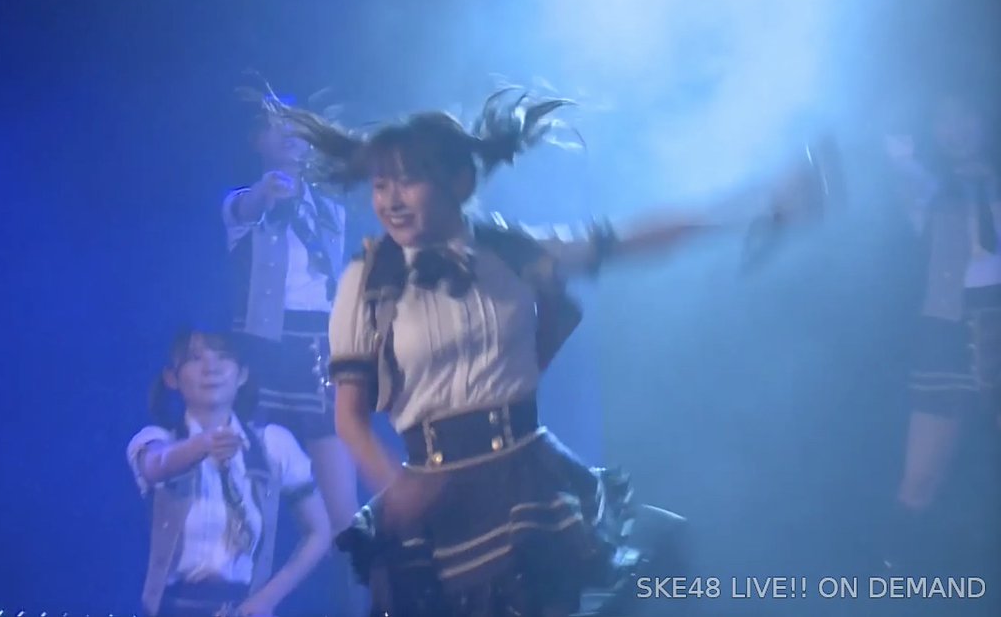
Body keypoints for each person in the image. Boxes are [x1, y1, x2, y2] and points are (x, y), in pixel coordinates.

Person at [275, 90, 821, 615]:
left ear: (459, 182)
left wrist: (755, 209)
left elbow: (624, 240)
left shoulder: (510, 251)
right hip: (440, 498)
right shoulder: (367, 280)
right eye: (380, 185)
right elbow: (348, 417)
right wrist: (395, 487)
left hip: (526, 480)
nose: (390, 200)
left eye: (408, 181)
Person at [219, 92, 363, 609]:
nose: (291, 138)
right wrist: (267, 193)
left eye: (299, 129)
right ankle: (242, 601)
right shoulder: (243, 202)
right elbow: (249, 207)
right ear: (257, 141)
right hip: (262, 350)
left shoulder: (330, 205)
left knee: (344, 511)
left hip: (319, 349)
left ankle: (365, 603)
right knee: (254, 496)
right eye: (277, 129)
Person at [126, 327, 331, 617]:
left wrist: (267, 599)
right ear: (172, 378)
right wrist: (203, 443)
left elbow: (319, 531)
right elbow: (157, 465)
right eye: (195, 358)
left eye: (223, 356)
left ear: (242, 374)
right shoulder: (156, 440)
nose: (211, 368)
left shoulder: (273, 445)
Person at [882, 92, 1000, 571]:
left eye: (964, 115)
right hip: (945, 334)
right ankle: (894, 576)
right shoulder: (927, 188)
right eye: (944, 120)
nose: (957, 129)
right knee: (920, 479)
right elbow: (899, 165)